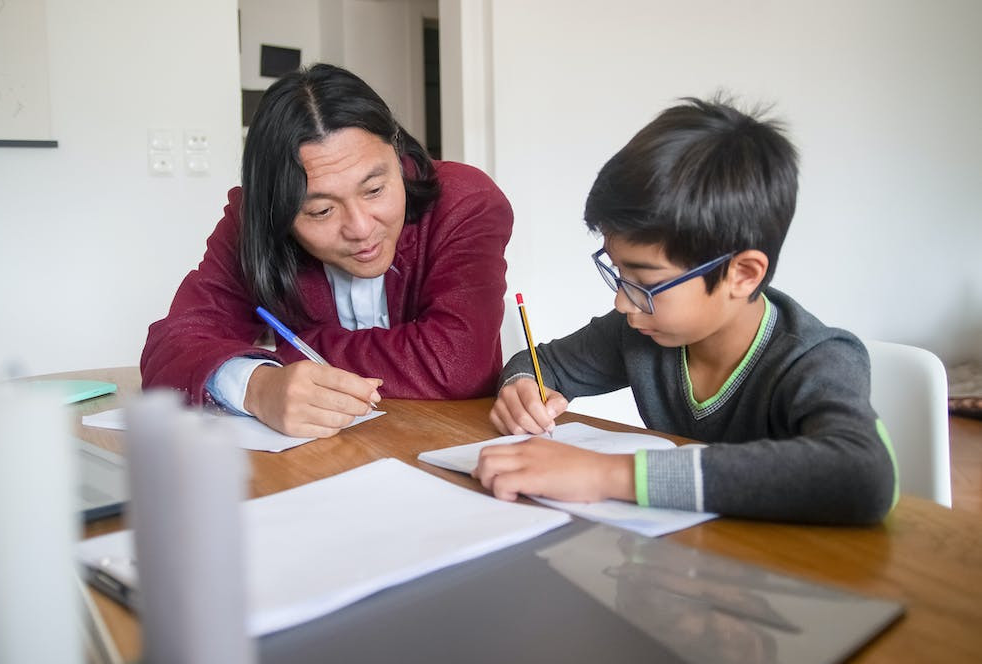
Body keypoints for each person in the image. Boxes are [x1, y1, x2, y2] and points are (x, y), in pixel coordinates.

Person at [475, 97, 896, 524]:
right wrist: (522, 386)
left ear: (743, 274)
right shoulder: (638, 332)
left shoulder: (816, 359)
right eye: (617, 272)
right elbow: (540, 362)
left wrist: (605, 474)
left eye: (647, 282)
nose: (622, 302)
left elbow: (864, 474)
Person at [141, 64, 512, 437]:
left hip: (450, 444)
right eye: (321, 211)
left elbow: (458, 364)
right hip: (317, 461)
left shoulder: (466, 201)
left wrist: (291, 348)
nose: (361, 228)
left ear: (397, 153)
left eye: (374, 190)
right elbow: (170, 346)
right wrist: (257, 387)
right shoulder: (254, 221)